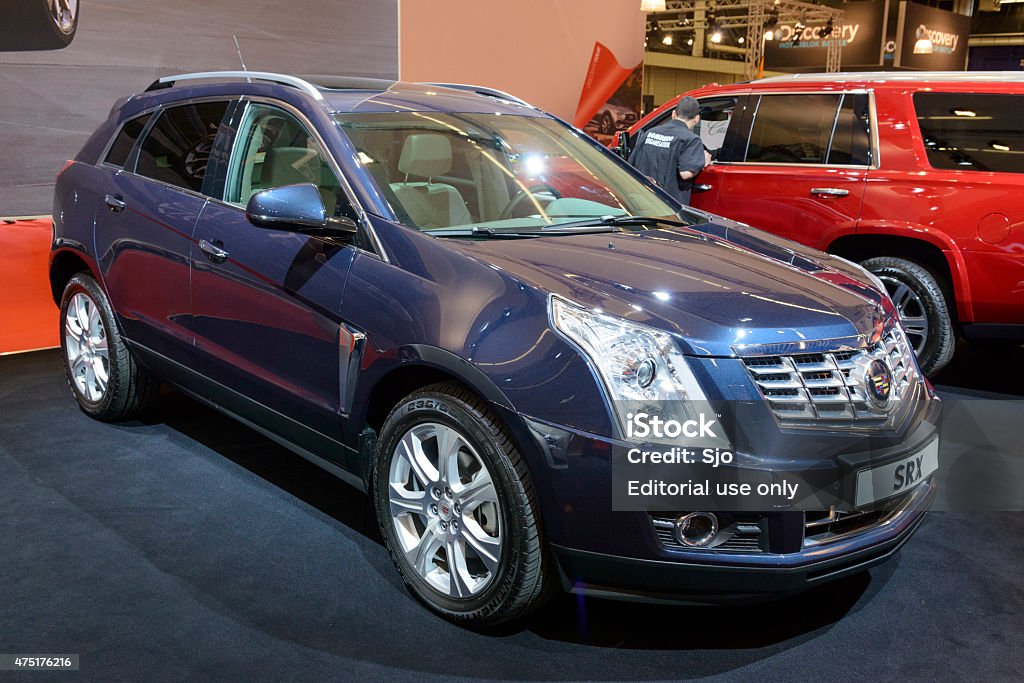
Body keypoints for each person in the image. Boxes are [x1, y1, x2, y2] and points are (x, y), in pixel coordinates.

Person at [627, 96, 710, 206]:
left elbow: (631, 164)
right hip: (667, 206)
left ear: (673, 114)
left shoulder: (649, 133)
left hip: (642, 201)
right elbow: (686, 173)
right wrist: (702, 161)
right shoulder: (691, 140)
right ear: (697, 118)